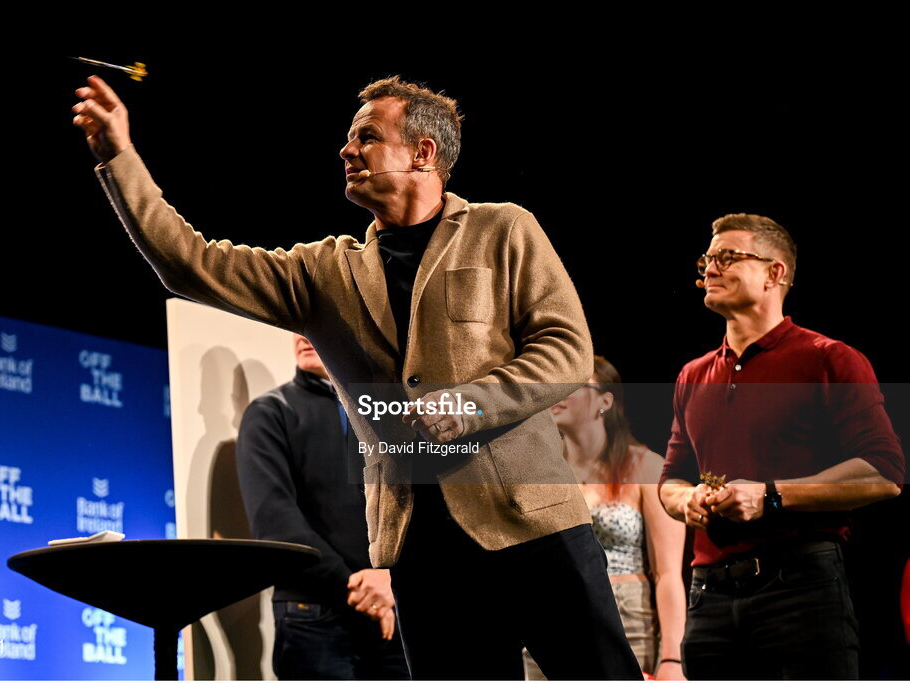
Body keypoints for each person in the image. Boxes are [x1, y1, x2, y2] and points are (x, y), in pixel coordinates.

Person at [73, 74, 640, 680]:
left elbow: (566, 349)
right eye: (350, 140)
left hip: (533, 527)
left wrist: (473, 404)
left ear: (423, 153)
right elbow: (192, 264)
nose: (347, 151)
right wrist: (118, 157)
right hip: (421, 550)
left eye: (367, 138)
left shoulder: (504, 230)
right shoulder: (325, 272)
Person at [658, 213, 904, 679]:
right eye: (707, 259)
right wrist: (687, 498)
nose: (710, 269)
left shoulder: (828, 358)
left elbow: (885, 472)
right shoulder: (692, 375)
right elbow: (671, 479)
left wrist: (770, 494)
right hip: (708, 595)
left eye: (728, 257)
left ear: (776, 273)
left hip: (800, 592)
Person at [235, 334, 409, 680]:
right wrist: (359, 588)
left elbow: (418, 507)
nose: (304, 334)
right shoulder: (271, 412)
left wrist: (391, 581)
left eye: (317, 322)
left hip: (397, 612)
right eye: (297, 324)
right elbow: (274, 523)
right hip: (313, 617)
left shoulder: (391, 411)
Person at [524, 356, 686, 680]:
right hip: (552, 620)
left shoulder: (644, 467)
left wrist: (672, 659)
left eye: (571, 386)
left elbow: (668, 573)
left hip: (627, 621)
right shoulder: (540, 474)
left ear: (605, 400)